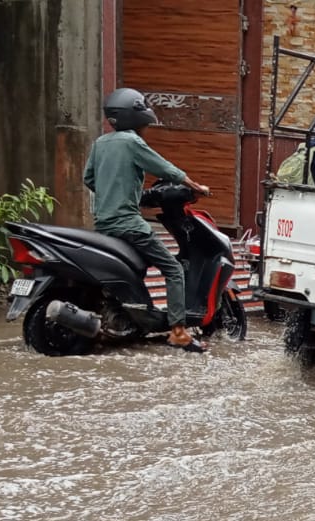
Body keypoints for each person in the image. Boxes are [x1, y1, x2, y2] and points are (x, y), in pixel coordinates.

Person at [82, 88, 211, 351]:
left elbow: (89, 179)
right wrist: (196, 186)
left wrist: (118, 191)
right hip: (129, 224)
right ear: (135, 118)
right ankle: (177, 331)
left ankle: (131, 319)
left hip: (103, 224)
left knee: (136, 268)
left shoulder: (101, 143)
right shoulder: (132, 142)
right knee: (174, 270)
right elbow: (164, 168)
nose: (145, 128)